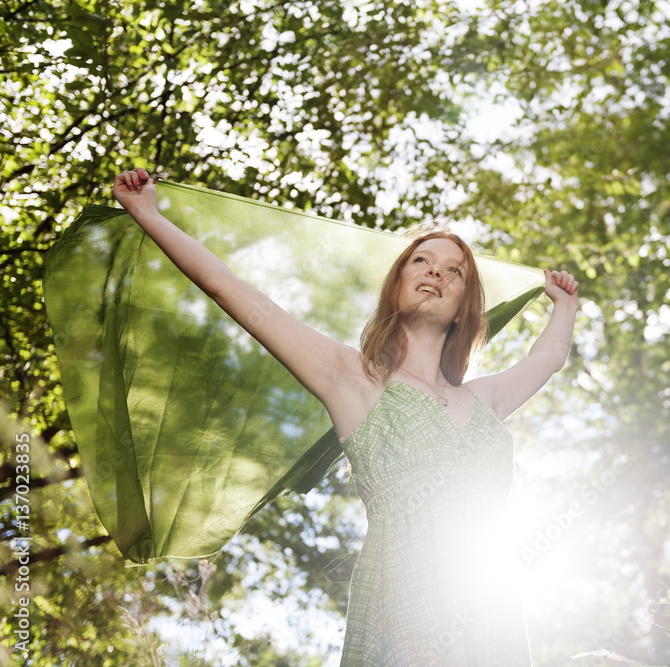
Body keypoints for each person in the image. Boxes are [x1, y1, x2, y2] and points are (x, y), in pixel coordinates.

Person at [112, 167, 579, 665]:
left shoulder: (484, 401)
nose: (436, 272)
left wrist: (564, 306)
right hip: (402, 592)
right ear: (396, 286)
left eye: (454, 270)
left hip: (488, 599)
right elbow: (232, 291)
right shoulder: (351, 380)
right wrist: (147, 213)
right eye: (421, 260)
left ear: (466, 307)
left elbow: (546, 359)